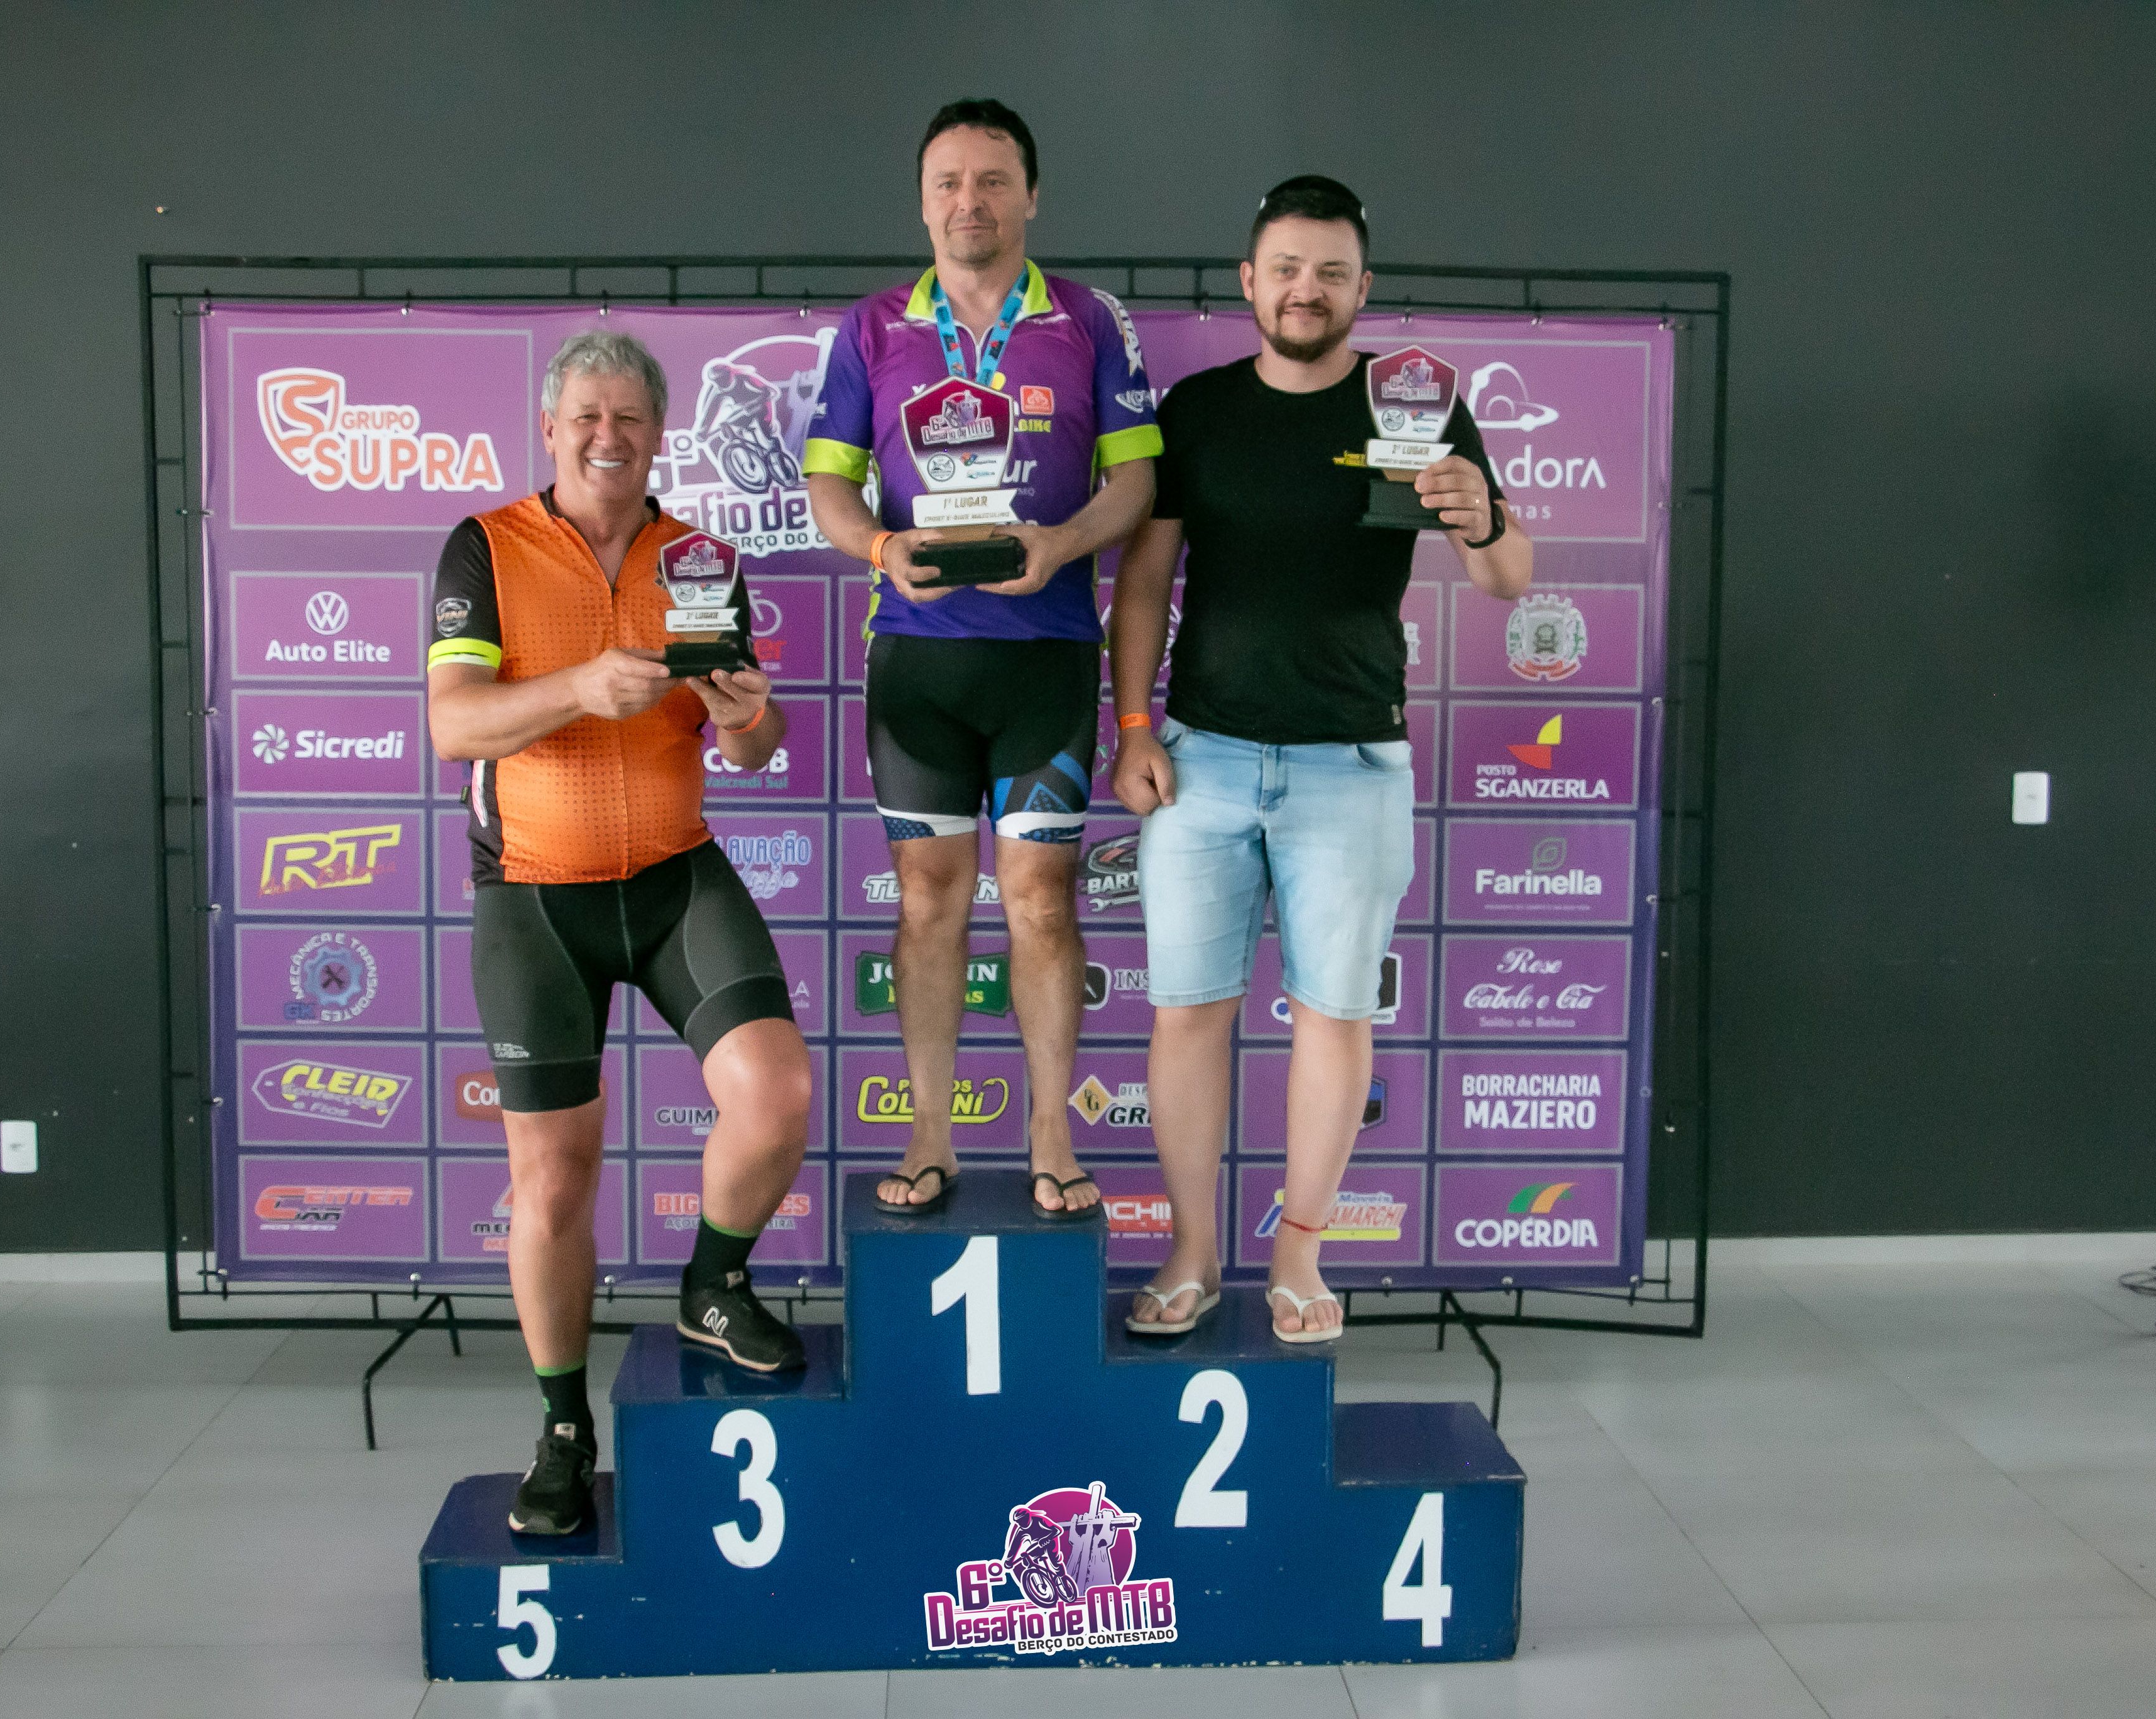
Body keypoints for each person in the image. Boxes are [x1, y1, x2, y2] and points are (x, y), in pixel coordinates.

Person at [1110, 177, 1533, 1343]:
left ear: (1362, 288)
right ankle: (1193, 1253)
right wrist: (1134, 728)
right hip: (1201, 761)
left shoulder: (1419, 404)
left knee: (1335, 1019)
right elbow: (1143, 583)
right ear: (1250, 282)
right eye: (1288, 269)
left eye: (1332, 273)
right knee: (1186, 1017)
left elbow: (1509, 579)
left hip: (1353, 765)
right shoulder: (1197, 410)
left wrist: (1483, 515)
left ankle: (1299, 1254)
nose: (1308, 290)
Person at [427, 331, 814, 1537]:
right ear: (551, 428)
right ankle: (562, 1427)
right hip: (533, 894)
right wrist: (577, 687)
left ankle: (713, 1283)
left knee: (777, 1096)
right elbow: (453, 725)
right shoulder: (486, 546)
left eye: (631, 418)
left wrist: (749, 717)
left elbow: (753, 746)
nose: (609, 436)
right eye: (587, 416)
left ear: (660, 433)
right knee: (555, 1176)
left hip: (674, 876)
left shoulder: (700, 558)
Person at [802, 98, 1159, 1220]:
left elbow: (1137, 483)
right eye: (949, 182)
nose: (971, 201)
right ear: (923, 202)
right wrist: (879, 547)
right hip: (919, 666)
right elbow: (828, 487)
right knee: (927, 905)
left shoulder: (1091, 319)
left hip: (1046, 659)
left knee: (1042, 905)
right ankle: (931, 1136)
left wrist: (1061, 544)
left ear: (1031, 195)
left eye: (994, 180)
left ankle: (1053, 1135)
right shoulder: (871, 328)